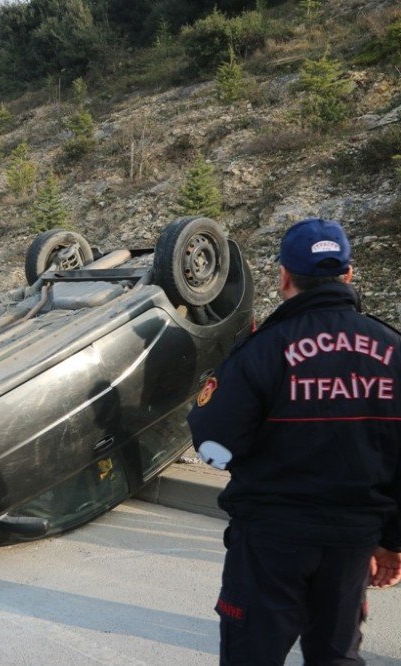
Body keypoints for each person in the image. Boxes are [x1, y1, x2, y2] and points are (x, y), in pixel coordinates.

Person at [187, 218, 401, 664]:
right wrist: (393, 541)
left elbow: (214, 443)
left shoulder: (261, 351)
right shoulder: (393, 351)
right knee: (336, 656)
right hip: (352, 544)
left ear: (284, 276)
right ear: (348, 275)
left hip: (270, 541)